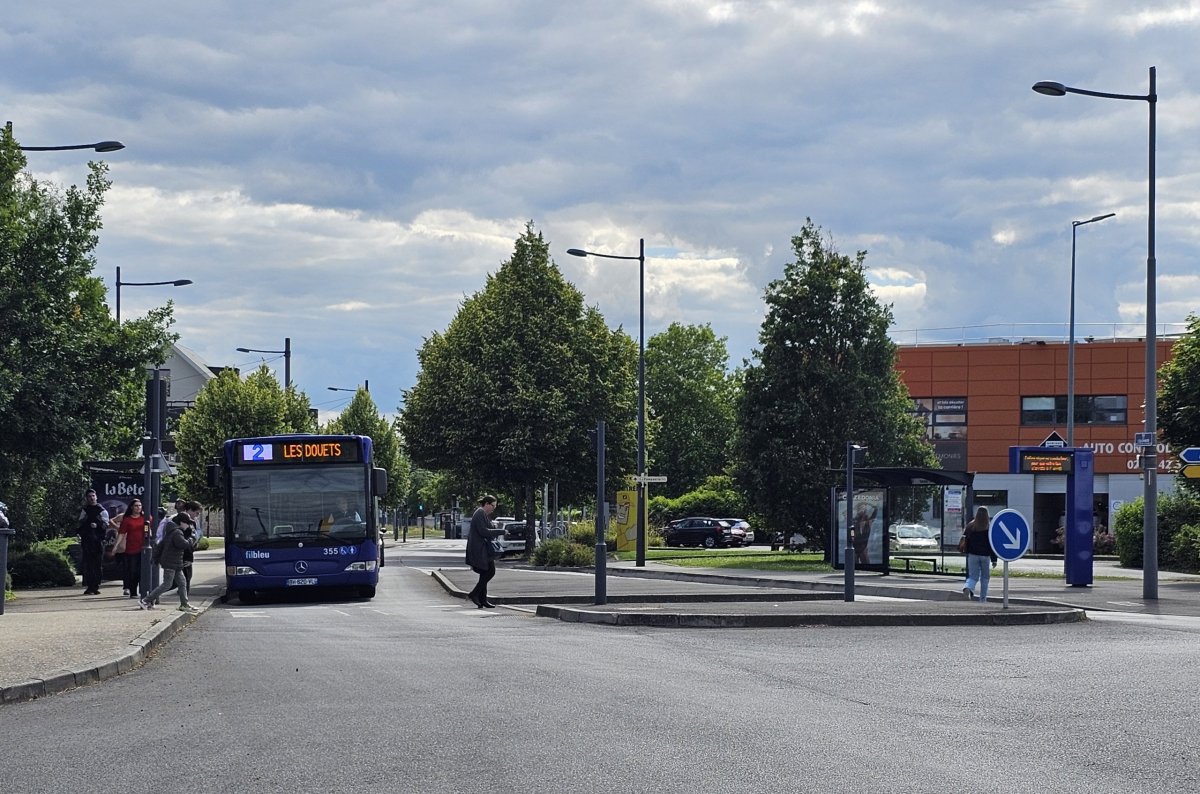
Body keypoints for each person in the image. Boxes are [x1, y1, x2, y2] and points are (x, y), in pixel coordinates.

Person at [140, 512, 199, 613]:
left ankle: (184, 604)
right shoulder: (177, 532)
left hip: (175, 563)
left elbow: (161, 545)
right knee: (167, 584)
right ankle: (145, 600)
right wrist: (191, 539)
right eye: (187, 523)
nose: (188, 525)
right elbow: (183, 544)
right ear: (181, 522)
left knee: (182, 583)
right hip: (171, 562)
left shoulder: (172, 531)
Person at [464, 494, 505, 608]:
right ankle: (474, 594)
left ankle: (483, 599)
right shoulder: (480, 513)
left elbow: (489, 527)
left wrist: (495, 528)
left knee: (485, 573)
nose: (493, 508)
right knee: (490, 572)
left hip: (482, 549)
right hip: (479, 549)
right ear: (486, 504)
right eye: (493, 506)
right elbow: (483, 531)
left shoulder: (483, 514)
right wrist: (501, 532)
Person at [112, 498, 150, 599]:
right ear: (132, 507)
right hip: (131, 548)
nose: (138, 508)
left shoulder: (145, 517)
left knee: (142, 571)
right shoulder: (127, 519)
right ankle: (133, 591)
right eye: (136, 506)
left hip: (143, 547)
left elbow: (149, 527)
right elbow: (121, 533)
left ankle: (143, 590)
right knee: (132, 570)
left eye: (140, 505)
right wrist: (115, 547)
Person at [76, 489, 110, 595]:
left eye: (93, 496)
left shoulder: (102, 510)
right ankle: (90, 585)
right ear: (86, 498)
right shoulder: (84, 510)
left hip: (98, 541)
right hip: (87, 541)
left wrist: (98, 525)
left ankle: (95, 585)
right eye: (89, 496)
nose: (91, 498)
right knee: (88, 564)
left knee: (97, 564)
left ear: (96, 497)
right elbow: (80, 524)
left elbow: (106, 525)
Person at [962, 507, 998, 602]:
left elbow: (966, 540)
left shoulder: (970, 526)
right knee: (985, 578)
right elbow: (992, 544)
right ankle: (983, 599)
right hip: (985, 556)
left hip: (972, 555)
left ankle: (968, 587)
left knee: (973, 576)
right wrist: (994, 559)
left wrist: (967, 552)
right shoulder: (989, 527)